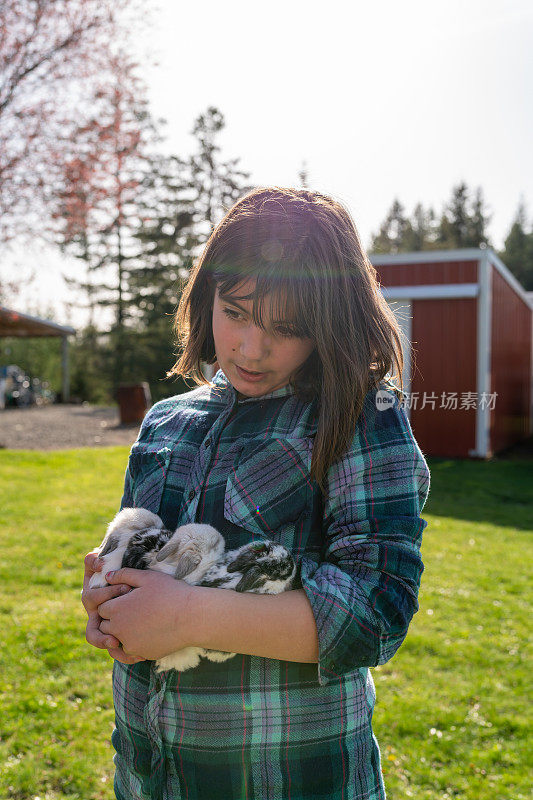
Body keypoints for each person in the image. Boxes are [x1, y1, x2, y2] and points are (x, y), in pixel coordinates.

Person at [82, 186, 430, 800]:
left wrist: (187, 615)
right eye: (235, 311)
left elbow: (378, 610)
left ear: (333, 321)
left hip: (292, 776)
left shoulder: (359, 414)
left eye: (288, 327)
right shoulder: (166, 420)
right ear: (206, 291)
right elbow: (148, 550)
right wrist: (112, 592)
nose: (250, 347)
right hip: (150, 771)